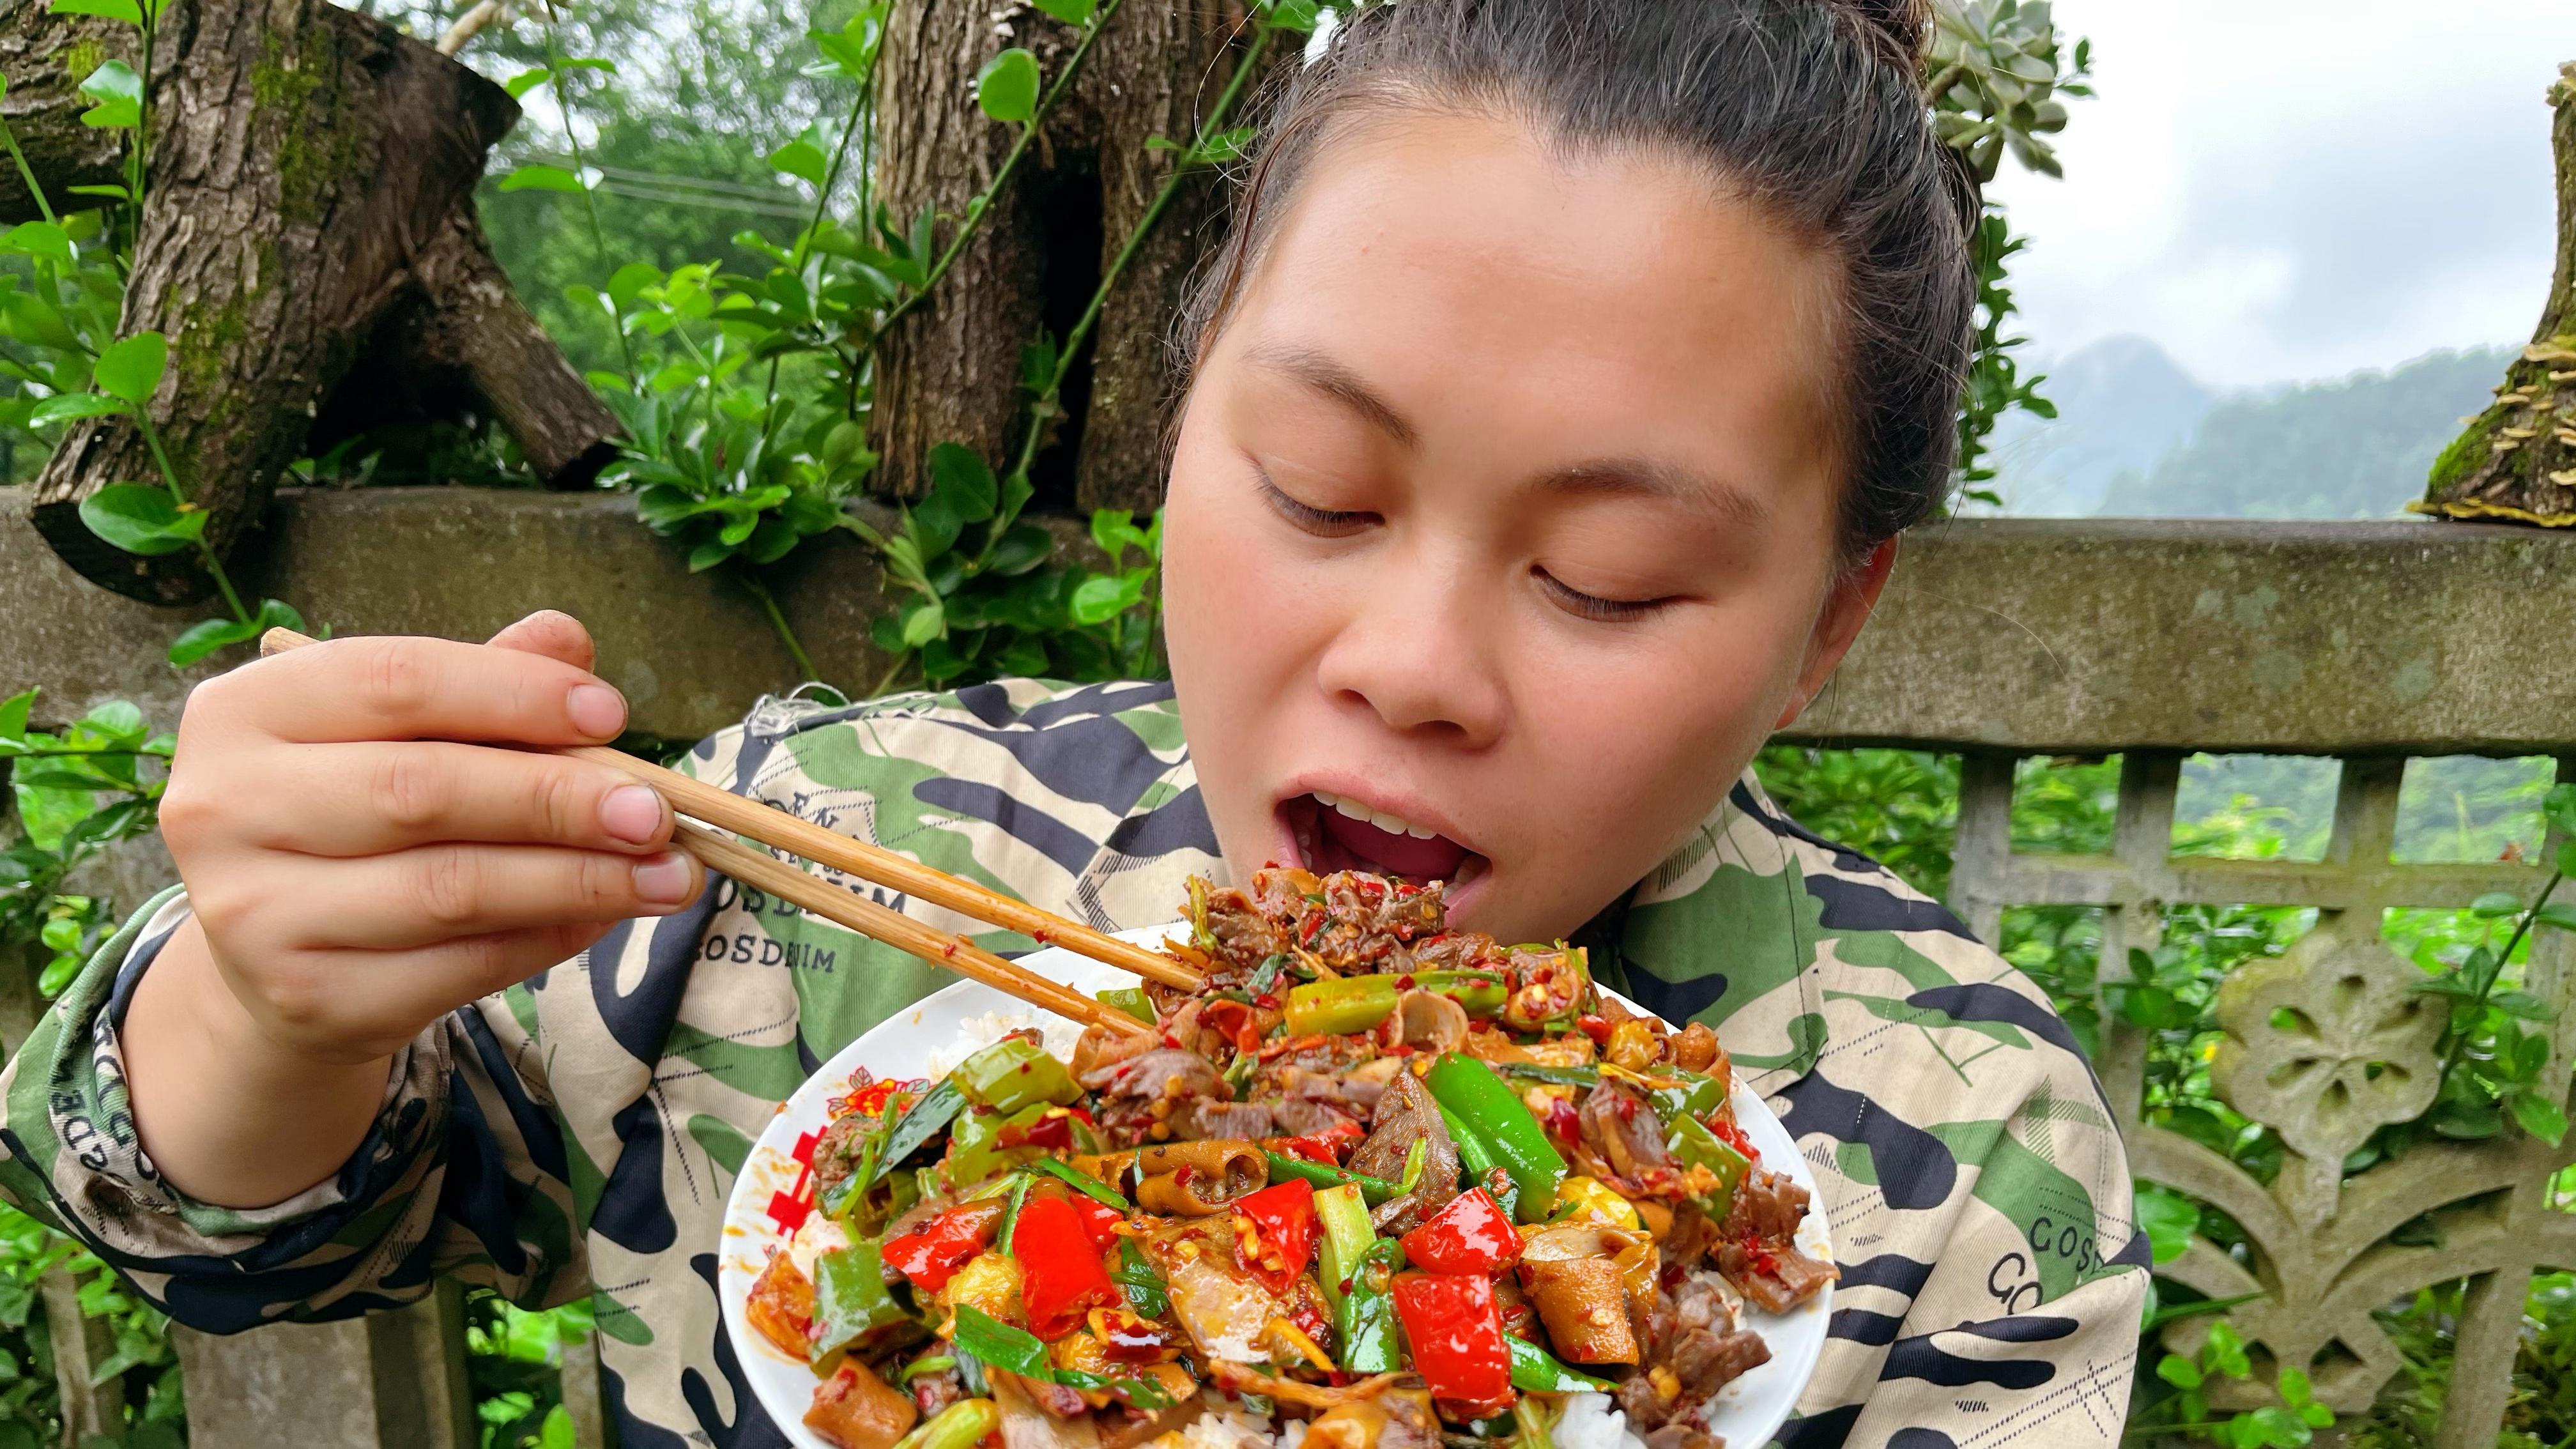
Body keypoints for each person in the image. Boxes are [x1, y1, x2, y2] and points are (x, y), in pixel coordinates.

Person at [0, 0, 2147, 1443]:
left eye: (1609, 576)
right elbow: (234, 1217)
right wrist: (261, 1000)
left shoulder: (1957, 1141)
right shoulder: (808, 860)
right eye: (1319, 487)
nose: (1414, 661)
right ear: (1186, 417)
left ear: (1827, 621)